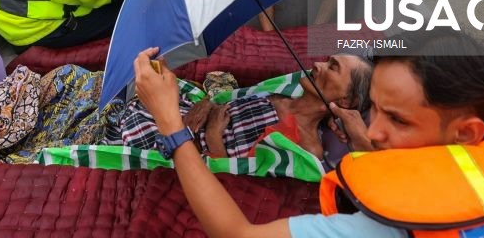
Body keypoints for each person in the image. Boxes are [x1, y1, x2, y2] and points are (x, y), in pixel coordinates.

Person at [133, 31, 484, 237]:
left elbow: (238, 234)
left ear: (468, 133)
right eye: (377, 111)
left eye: (398, 120)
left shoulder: (389, 224)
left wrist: (170, 123)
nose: (377, 131)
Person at [110, 54, 373, 161]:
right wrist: (208, 104)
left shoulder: (306, 147)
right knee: (141, 71)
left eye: (333, 67)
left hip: (182, 149)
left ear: (347, 102)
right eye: (328, 61)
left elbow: (237, 181)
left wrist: (213, 136)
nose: (318, 65)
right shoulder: (277, 94)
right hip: (185, 120)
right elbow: (228, 103)